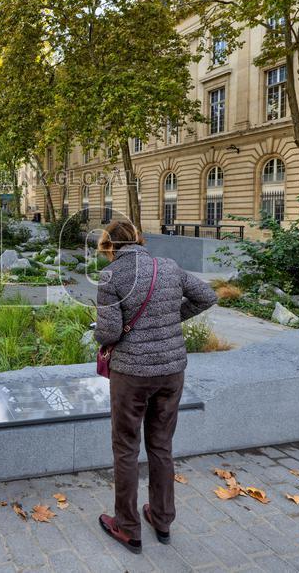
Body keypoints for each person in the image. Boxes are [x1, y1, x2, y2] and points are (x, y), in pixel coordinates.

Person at [94, 220, 216, 554]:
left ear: (110, 246)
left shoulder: (112, 276)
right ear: (138, 240)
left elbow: (108, 335)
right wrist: (170, 320)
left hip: (132, 374)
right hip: (171, 371)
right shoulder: (169, 266)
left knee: (126, 448)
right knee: (161, 446)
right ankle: (162, 520)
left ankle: (128, 526)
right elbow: (207, 296)